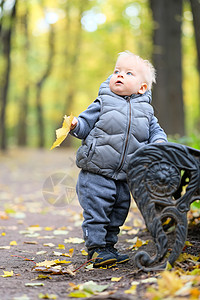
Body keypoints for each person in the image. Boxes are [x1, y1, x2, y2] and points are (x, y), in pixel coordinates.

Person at [70, 51, 167, 267]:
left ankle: (109, 248)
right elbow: (85, 125)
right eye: (116, 71)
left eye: (128, 73)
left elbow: (156, 132)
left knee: (118, 213)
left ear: (142, 87)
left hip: (125, 176)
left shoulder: (147, 112)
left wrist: (159, 143)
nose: (119, 75)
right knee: (97, 212)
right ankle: (95, 249)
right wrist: (76, 125)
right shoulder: (103, 102)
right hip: (96, 171)